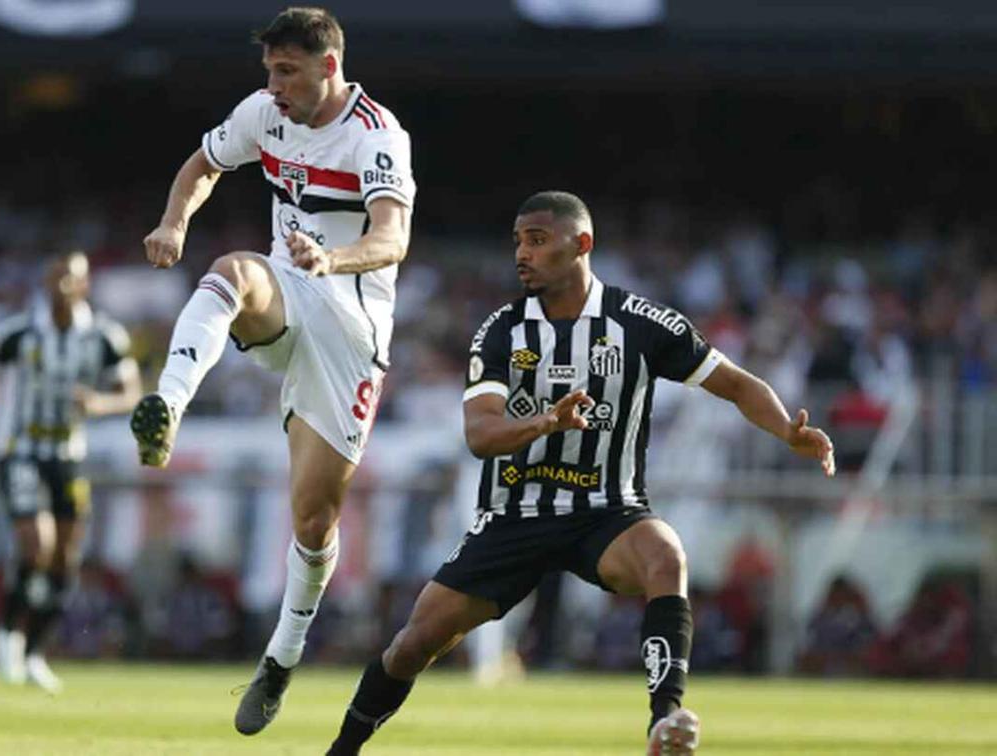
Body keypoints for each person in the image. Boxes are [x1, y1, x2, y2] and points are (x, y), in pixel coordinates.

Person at [325, 192, 835, 756]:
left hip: (607, 512)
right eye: (518, 240)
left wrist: (787, 428)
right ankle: (342, 749)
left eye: (538, 240)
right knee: (412, 645)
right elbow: (480, 434)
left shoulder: (640, 323)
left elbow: (737, 384)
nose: (523, 253)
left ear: (581, 244)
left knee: (666, 556)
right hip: (514, 516)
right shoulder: (503, 331)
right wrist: (546, 421)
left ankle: (664, 721)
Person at [129, 6, 415, 735]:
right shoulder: (263, 113)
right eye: (269, 71)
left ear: (329, 65)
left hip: (350, 326)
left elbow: (392, 236)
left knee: (313, 518)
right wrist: (175, 222)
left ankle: (282, 656)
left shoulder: (377, 136)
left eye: (287, 71)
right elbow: (203, 165)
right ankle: (165, 406)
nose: (274, 85)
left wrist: (336, 257)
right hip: (286, 292)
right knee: (230, 272)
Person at [0, 251, 141, 693]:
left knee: (66, 558)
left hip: (69, 456)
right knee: (36, 544)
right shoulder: (18, 332)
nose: (61, 286)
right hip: (21, 451)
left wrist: (100, 403)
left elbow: (131, 392)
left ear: (85, 285)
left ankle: (34, 651)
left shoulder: (104, 336)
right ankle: (7, 630)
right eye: (54, 277)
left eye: (70, 278)